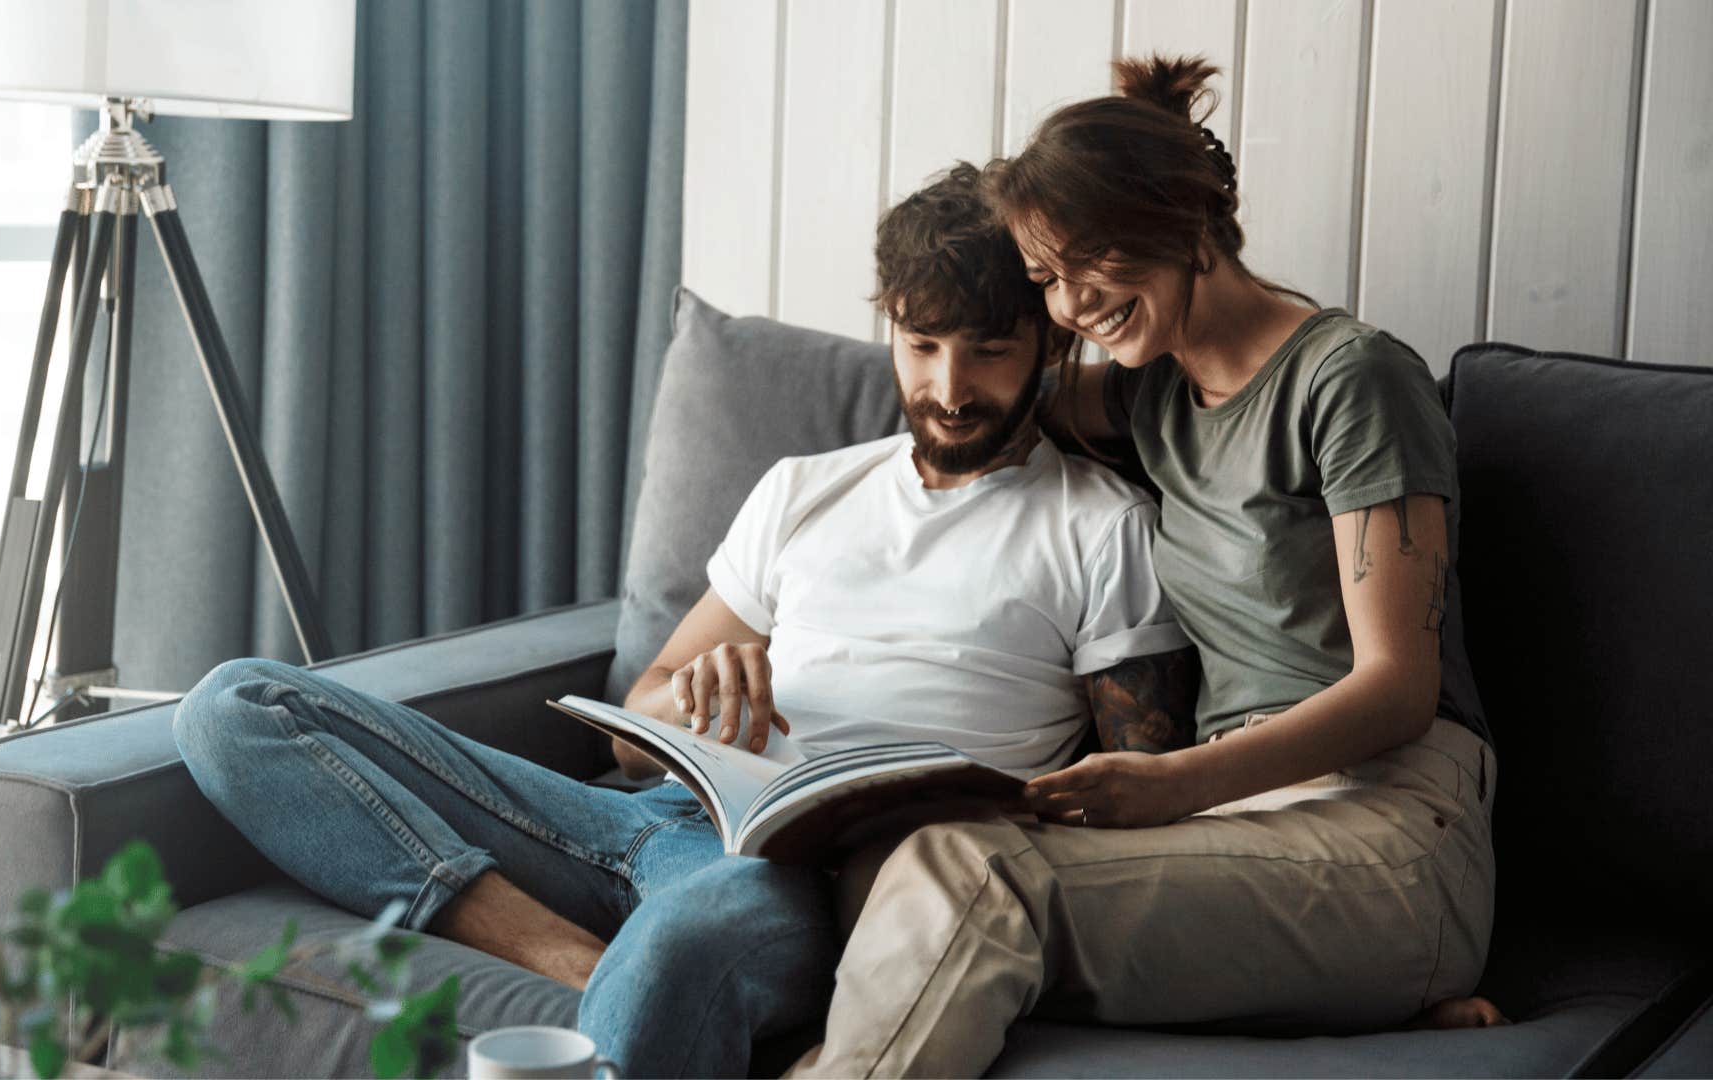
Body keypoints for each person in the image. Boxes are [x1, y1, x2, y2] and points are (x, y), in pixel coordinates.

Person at [170, 163, 1198, 1079]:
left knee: (681, 949)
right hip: (645, 819)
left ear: (1048, 341)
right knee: (238, 706)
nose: (949, 387)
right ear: (889, 320)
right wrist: (696, 701)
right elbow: (629, 732)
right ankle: (573, 966)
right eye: (922, 344)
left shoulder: (1100, 529)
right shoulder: (807, 488)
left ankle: (627, 975)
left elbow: (1134, 799)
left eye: (988, 350)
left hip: (815, 879)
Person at [788, 56, 1504, 1079]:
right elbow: (985, 406)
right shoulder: (1152, 399)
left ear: (1186, 218)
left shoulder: (1352, 381)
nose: (1073, 304)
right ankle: (1364, 1017)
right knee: (884, 871)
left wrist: (1174, 782)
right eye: (1047, 280)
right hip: (1248, 834)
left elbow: (1399, 689)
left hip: (1390, 820)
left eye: (1093, 262)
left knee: (970, 877)